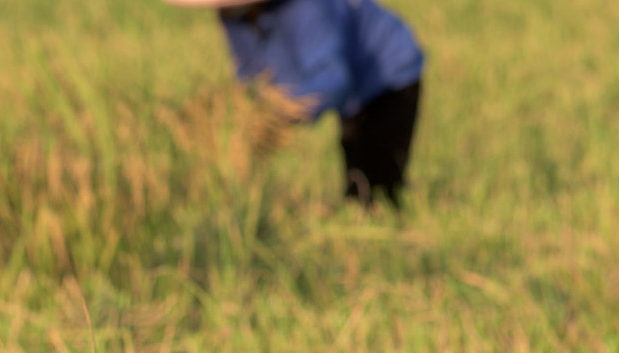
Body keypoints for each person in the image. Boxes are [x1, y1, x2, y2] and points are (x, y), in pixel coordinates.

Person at [167, 0, 425, 208]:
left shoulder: (306, 7)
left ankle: (386, 242)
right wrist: (239, 111)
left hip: (389, 79)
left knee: (376, 189)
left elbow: (334, 79)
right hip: (352, 95)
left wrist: (280, 114)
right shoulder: (233, 16)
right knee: (356, 176)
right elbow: (250, 73)